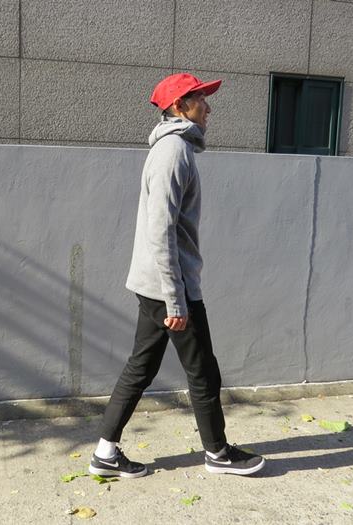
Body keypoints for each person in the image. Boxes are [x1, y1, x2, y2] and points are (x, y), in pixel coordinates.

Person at [88, 73, 265, 478]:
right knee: (203, 371)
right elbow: (161, 230)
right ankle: (218, 453)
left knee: (141, 367)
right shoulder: (173, 153)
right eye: (201, 99)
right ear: (179, 106)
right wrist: (175, 299)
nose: (209, 107)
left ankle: (105, 453)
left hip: (157, 284)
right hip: (171, 286)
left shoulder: (174, 149)